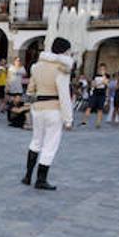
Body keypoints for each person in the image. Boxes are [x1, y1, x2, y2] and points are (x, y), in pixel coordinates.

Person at [22, 37, 74, 190]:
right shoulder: (62, 68)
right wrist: (68, 119)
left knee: (36, 141)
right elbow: (64, 95)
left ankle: (27, 176)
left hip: (37, 108)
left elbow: (30, 90)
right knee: (50, 144)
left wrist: (30, 108)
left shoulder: (36, 66)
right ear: (65, 51)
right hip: (54, 109)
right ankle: (41, 179)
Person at [82, 63, 108, 127]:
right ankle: (84, 121)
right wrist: (100, 83)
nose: (102, 70)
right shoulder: (95, 76)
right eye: (101, 69)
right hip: (94, 93)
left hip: (102, 94)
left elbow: (106, 83)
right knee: (89, 107)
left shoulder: (106, 76)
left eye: (103, 69)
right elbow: (93, 84)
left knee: (100, 109)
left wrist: (103, 76)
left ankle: (98, 123)